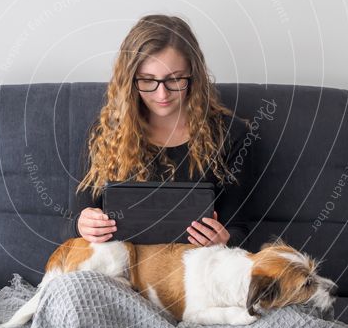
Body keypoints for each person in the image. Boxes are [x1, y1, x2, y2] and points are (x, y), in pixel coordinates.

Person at [69, 14, 253, 248]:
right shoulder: (106, 133)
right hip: (120, 271)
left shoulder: (231, 136)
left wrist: (225, 240)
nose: (162, 95)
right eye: (147, 80)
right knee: (70, 285)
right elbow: (70, 223)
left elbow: (240, 231)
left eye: (175, 80)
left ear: (193, 76)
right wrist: (82, 225)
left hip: (190, 273)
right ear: (130, 81)